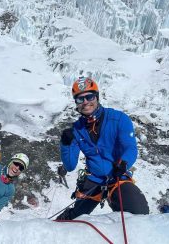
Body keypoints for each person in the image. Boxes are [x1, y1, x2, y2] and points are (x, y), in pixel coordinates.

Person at [56, 77, 149, 220]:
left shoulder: (119, 119)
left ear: (97, 97)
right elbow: (70, 165)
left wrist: (123, 163)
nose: (85, 102)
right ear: (76, 103)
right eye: (80, 99)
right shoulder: (76, 130)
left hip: (117, 176)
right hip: (93, 180)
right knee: (74, 219)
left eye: (89, 96)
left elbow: (130, 148)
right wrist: (66, 144)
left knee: (138, 212)